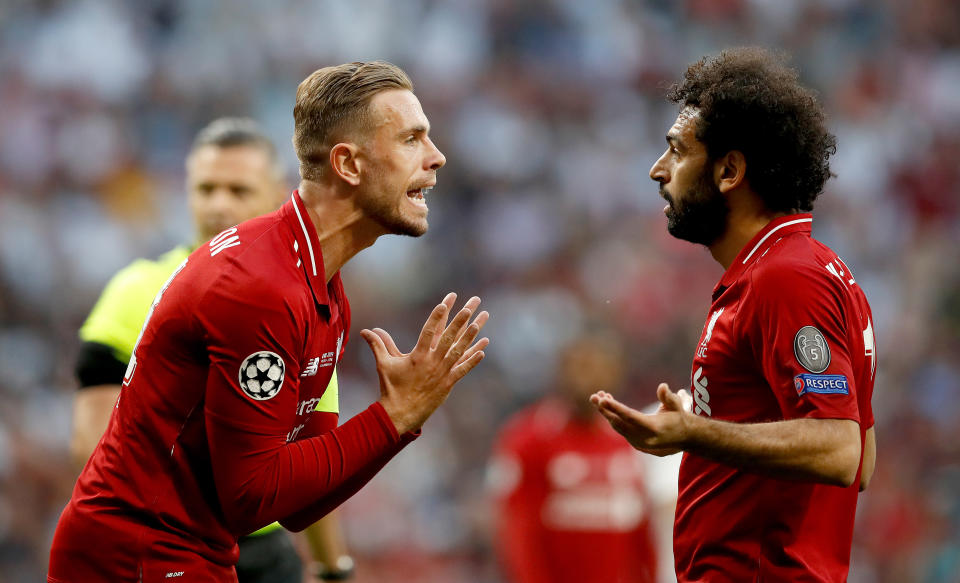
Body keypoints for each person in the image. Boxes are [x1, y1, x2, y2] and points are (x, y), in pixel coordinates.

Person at [49, 61, 489, 583]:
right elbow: (251, 498)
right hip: (138, 554)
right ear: (347, 164)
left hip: (190, 551)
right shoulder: (261, 288)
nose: (436, 158)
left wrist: (400, 421)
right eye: (413, 139)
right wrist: (394, 417)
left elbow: (298, 506)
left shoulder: (319, 284)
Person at [591, 47, 877, 582]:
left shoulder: (786, 279)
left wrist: (694, 434)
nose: (657, 170)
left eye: (677, 150)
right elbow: (864, 463)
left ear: (729, 170)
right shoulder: (804, 270)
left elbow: (841, 451)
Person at [69, 117, 355, 582]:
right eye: (206, 189)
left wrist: (332, 567)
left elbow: (310, 454)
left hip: (264, 556)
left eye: (237, 190)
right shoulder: (135, 292)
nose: (218, 205)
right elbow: (90, 442)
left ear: (280, 193)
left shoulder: (300, 302)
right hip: (167, 542)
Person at [488, 333, 659, 583]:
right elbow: (517, 530)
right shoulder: (529, 439)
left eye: (600, 368)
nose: (589, 378)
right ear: (562, 371)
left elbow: (641, 529)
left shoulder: (628, 441)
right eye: (582, 367)